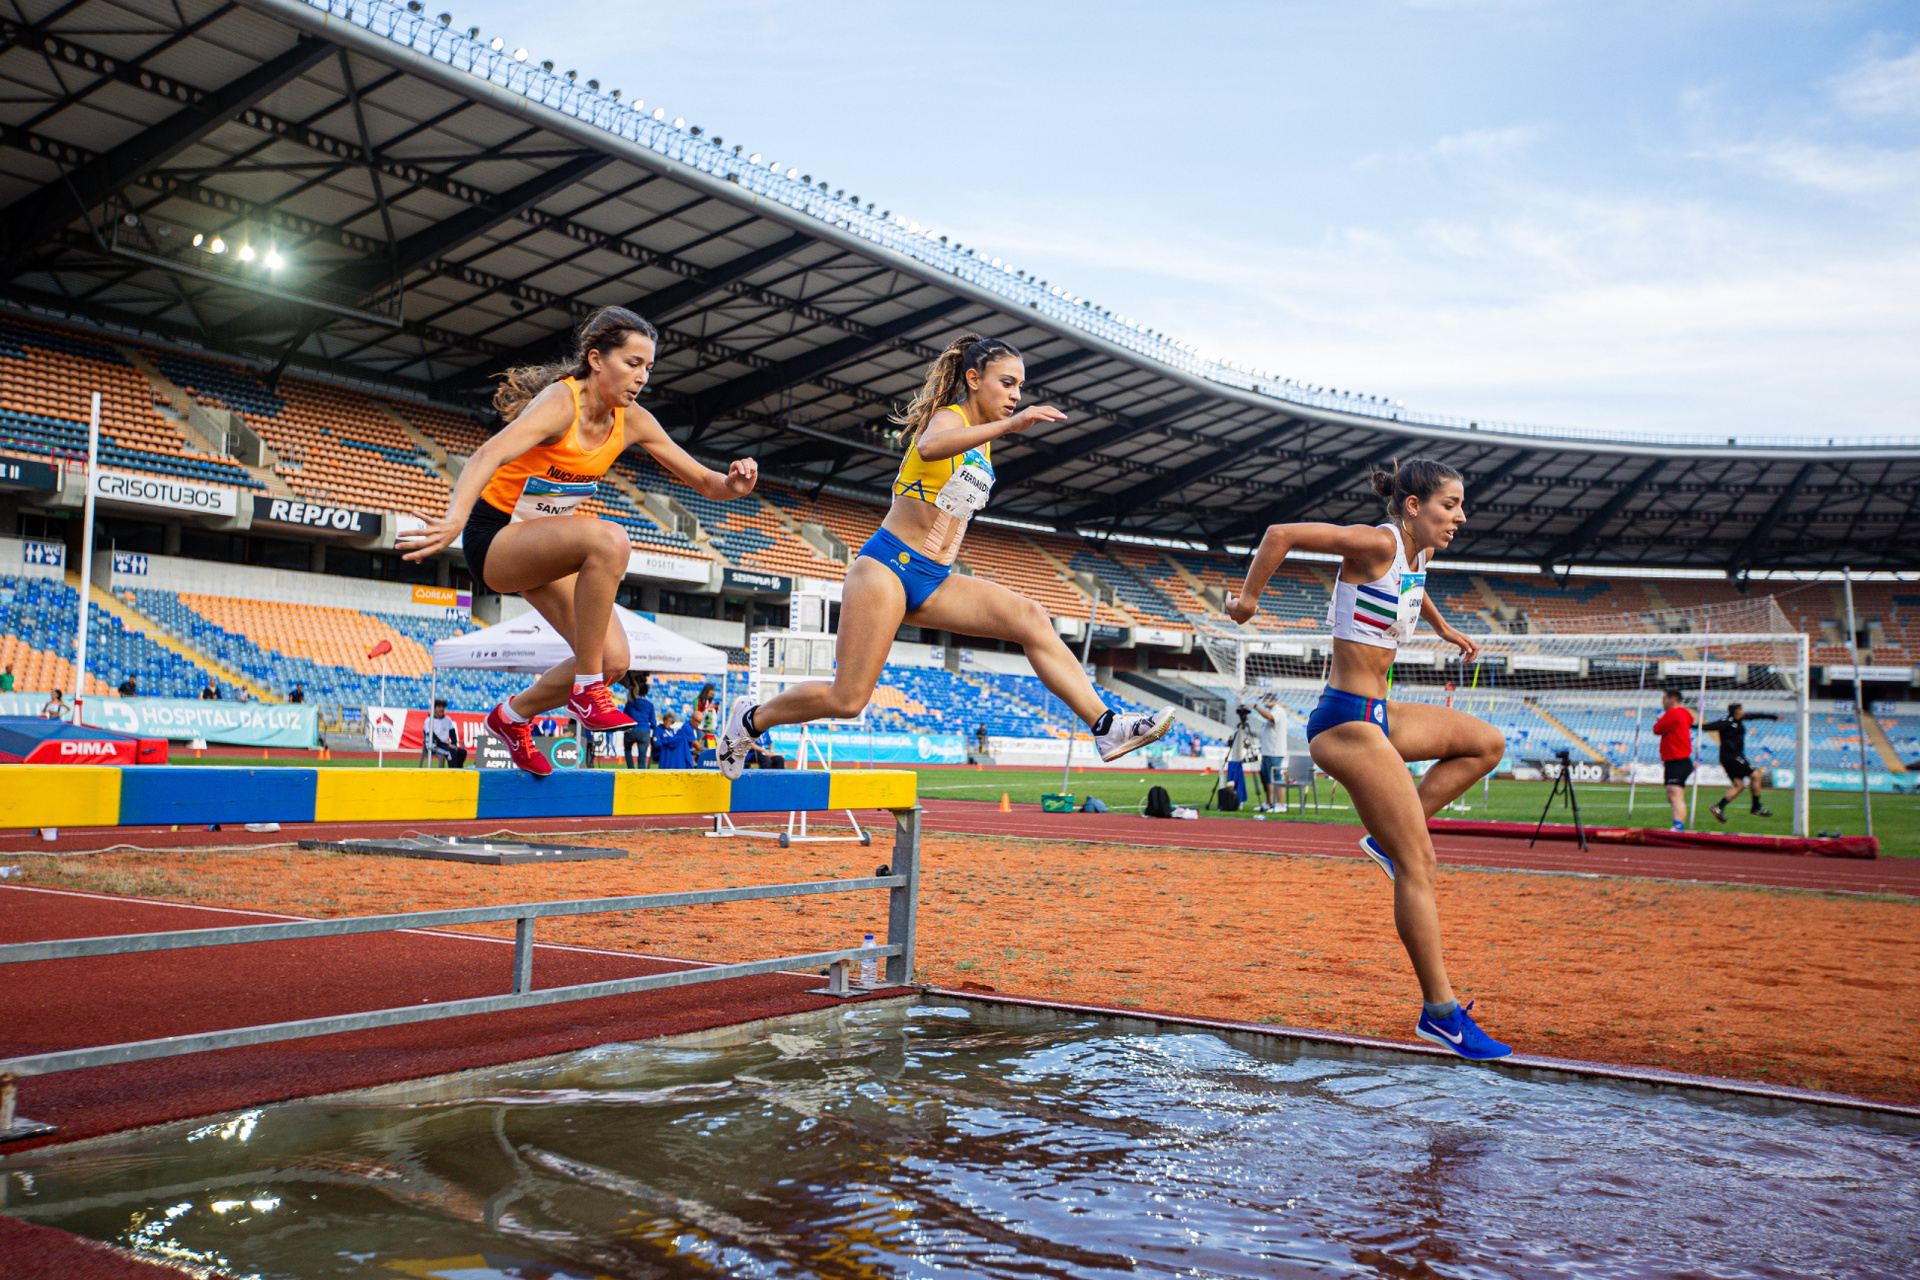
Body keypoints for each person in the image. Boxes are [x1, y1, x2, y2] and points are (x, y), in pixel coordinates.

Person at [717, 333, 1174, 777]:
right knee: (848, 700)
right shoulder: (949, 419)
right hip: (887, 567)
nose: (1016, 395)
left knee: (1031, 618)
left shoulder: (982, 440)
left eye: (1020, 386)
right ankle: (750, 720)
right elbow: (929, 447)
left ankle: (1106, 726)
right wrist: (1010, 425)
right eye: (1007, 383)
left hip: (934, 578)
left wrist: (1001, 429)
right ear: (974, 379)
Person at [1229, 457, 1510, 1060]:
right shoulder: (1376, 544)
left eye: (1460, 505)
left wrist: (1444, 629)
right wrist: (1248, 603)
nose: (1461, 517)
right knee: (1420, 864)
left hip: (1380, 712)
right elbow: (1280, 534)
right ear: (1413, 506)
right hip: (1344, 720)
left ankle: (1385, 840)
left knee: (1487, 743)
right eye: (1450, 505)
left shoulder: (1418, 554)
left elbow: (1412, 591)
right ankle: (1441, 1014)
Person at [398, 306, 757, 776]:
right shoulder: (560, 403)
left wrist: (734, 484)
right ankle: (587, 690)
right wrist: (453, 518)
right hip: (496, 538)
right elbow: (488, 454)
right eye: (633, 363)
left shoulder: (633, 420)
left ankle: (511, 718)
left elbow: (707, 482)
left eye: (649, 368)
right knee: (609, 539)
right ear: (596, 359)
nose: (642, 377)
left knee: (615, 660)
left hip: (544, 548)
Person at [1705, 703, 1776, 822]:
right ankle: (1756, 807)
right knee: (1756, 775)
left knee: (1739, 785)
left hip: (1730, 757)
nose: (1744, 711)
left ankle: (1719, 807)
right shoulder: (1726, 722)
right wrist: (1690, 725)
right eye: (1742, 709)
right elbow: (1708, 726)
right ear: (1737, 711)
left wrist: (1772, 717)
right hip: (1732, 756)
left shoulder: (1739, 719)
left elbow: (1754, 716)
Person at [1652, 688, 1694, 831]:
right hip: (1679, 760)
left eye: (1664, 699)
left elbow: (1657, 729)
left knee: (1674, 793)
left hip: (1677, 759)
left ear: (1671, 699)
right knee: (1674, 794)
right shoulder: (1685, 712)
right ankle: (1677, 825)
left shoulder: (1673, 713)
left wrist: (1660, 719)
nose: (1662, 702)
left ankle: (1678, 826)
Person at [1251, 693, 1287, 812]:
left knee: (1276, 777)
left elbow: (1270, 717)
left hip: (1274, 751)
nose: (1263, 702)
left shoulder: (1278, 711)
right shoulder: (1275, 711)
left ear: (1271, 700)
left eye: (1265, 700)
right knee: (1267, 778)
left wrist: (1256, 707)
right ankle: (1269, 802)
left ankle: (1280, 804)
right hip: (1268, 751)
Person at [622, 675, 656, 768]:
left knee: (627, 749)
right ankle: (641, 771)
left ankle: (630, 768)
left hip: (631, 730)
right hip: (644, 731)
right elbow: (653, 722)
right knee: (642, 755)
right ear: (647, 692)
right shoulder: (649, 705)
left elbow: (624, 716)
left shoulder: (630, 703)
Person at [423, 698, 467, 768]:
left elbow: (452, 733)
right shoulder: (429, 721)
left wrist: (454, 744)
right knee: (451, 752)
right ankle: (453, 771)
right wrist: (448, 745)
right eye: (439, 707)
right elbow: (432, 736)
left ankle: (459, 769)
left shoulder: (447, 719)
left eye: (443, 707)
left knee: (462, 752)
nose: (441, 709)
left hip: (445, 745)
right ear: (434, 709)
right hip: (434, 745)